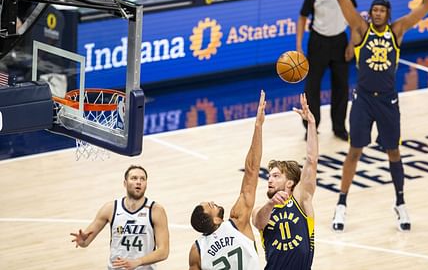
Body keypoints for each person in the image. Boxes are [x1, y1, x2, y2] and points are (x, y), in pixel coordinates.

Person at [320, 0, 428, 231]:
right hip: (363, 100)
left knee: (394, 153)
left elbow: (426, 7)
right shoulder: (360, 30)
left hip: (388, 100)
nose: (378, 13)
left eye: (383, 10)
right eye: (375, 10)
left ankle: (400, 203)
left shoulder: (397, 31)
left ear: (389, 14)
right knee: (354, 152)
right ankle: (341, 205)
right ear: (370, 14)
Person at [188, 90, 266, 270]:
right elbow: (251, 171)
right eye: (211, 206)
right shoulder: (238, 221)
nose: (213, 202)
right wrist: (258, 127)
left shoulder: (197, 251)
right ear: (215, 220)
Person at [252, 93, 318, 269]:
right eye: (269, 176)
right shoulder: (261, 210)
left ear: (289, 183)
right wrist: (270, 204)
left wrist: (311, 124)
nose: (270, 180)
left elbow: (311, 161)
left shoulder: (301, 200)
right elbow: (258, 222)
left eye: (276, 176)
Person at [296, 0, 357, 141]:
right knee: (312, 87)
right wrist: (299, 45)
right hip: (318, 43)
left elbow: (354, 18)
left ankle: (339, 127)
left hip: (340, 41)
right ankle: (311, 128)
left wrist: (352, 43)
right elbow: (302, 18)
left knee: (341, 86)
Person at [70, 165, 169, 269]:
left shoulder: (156, 210)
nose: (139, 182)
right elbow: (85, 242)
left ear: (146, 184)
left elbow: (164, 251)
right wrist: (82, 241)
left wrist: (138, 262)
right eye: (134, 178)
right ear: (125, 183)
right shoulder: (110, 208)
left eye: (142, 179)